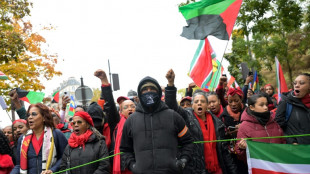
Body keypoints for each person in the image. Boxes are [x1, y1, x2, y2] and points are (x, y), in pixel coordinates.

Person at [165, 69, 237, 174]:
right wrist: (171, 84)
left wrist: (233, 171)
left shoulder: (218, 123)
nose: (199, 104)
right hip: (196, 170)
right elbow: (171, 105)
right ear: (192, 105)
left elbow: (223, 151)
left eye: (202, 101)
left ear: (207, 105)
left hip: (217, 169)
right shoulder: (186, 117)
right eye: (196, 102)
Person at [120, 76, 194, 174]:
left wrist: (183, 161)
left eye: (152, 89)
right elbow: (125, 149)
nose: (149, 92)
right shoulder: (131, 121)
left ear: (158, 92)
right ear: (140, 93)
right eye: (145, 89)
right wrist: (133, 166)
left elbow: (188, 141)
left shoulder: (173, 116)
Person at [94, 69, 135, 173]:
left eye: (132, 106)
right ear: (120, 111)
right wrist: (104, 81)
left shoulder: (142, 121)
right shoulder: (116, 122)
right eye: (126, 107)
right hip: (121, 167)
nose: (130, 109)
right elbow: (110, 105)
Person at [11, 103, 68, 174]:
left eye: (34, 114)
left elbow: (65, 157)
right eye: (28, 115)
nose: (30, 117)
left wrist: (52, 170)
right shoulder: (22, 139)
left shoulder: (56, 134)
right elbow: (19, 165)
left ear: (44, 117)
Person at [236, 94, 285, 164]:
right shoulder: (244, 126)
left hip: (278, 165)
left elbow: (283, 142)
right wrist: (243, 148)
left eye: (266, 104)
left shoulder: (273, 122)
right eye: (261, 105)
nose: (265, 108)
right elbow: (240, 155)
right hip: (260, 167)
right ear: (252, 107)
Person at [276, 73, 310, 144]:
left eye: (302, 83)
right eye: (295, 83)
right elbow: (278, 125)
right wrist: (291, 141)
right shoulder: (285, 101)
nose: (297, 85)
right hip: (297, 149)